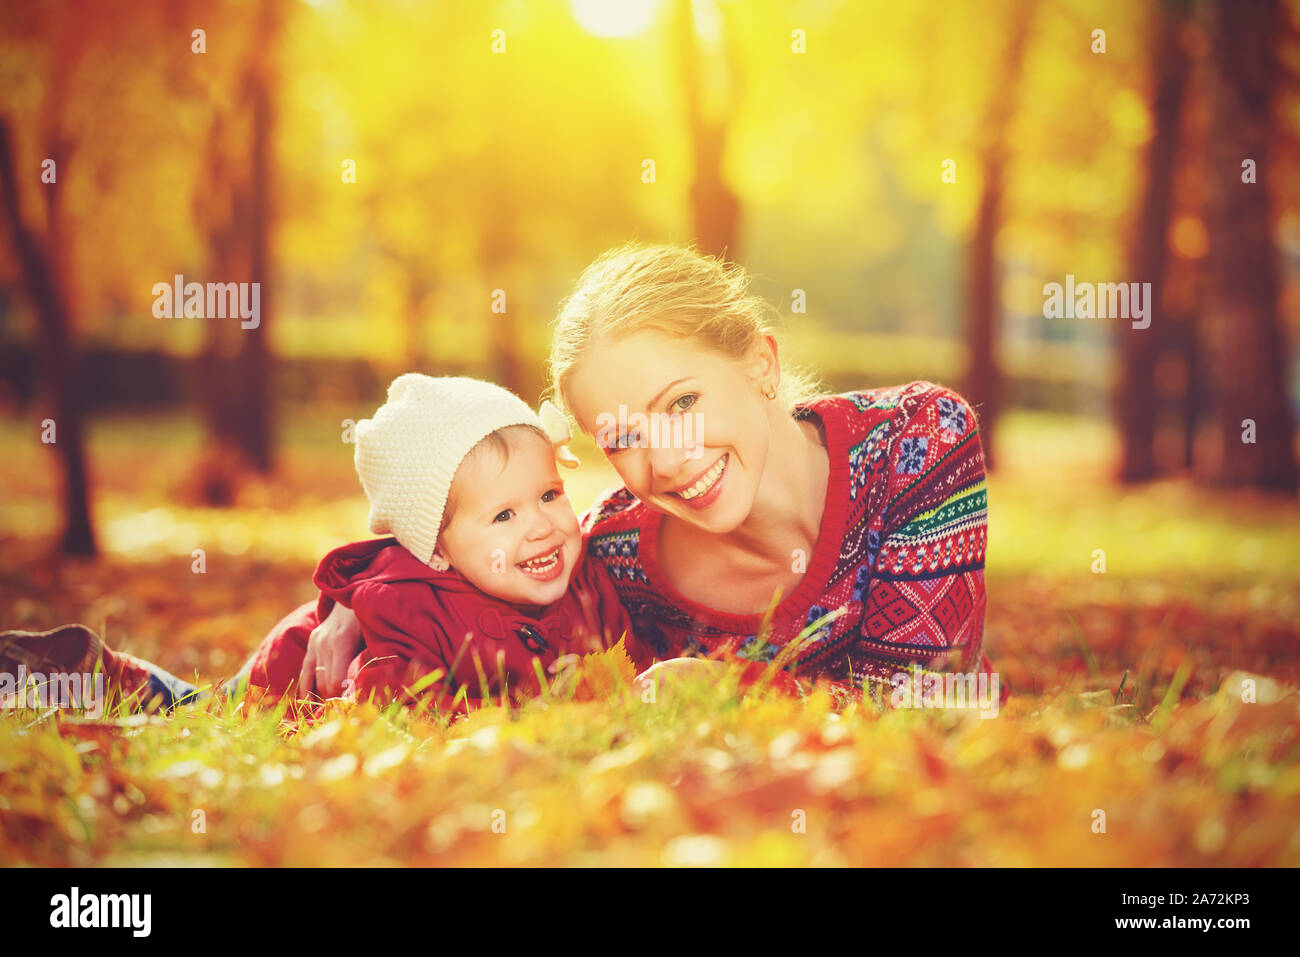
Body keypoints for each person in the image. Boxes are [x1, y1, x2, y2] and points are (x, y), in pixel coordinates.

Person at [305, 243, 1006, 708]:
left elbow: (930, 702)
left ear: (760, 362)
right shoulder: (613, 551)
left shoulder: (917, 444)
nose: (667, 460)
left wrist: (731, 690)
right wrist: (351, 604)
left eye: (683, 402)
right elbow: (477, 552)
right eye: (624, 436)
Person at [0, 374, 649, 715]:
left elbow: (628, 661)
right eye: (503, 514)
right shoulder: (416, 608)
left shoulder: (586, 579)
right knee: (194, 713)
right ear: (437, 550)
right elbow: (387, 708)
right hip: (287, 683)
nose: (541, 526)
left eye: (549, 495)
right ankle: (94, 674)